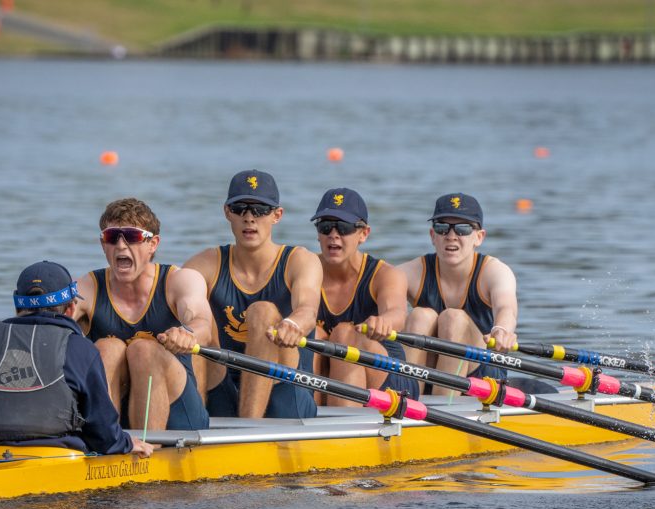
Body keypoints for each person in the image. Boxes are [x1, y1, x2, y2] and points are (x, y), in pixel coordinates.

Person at [0, 261, 153, 456]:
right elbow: (102, 431)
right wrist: (124, 443)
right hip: (54, 456)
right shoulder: (80, 349)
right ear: (71, 308)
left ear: (18, 307)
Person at [184, 169, 323, 419]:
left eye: (260, 210)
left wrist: (293, 324)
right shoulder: (203, 264)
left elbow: (307, 309)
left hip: (286, 392)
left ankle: (248, 427)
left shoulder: (301, 260)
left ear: (277, 215)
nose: (249, 218)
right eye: (240, 209)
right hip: (223, 388)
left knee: (262, 311)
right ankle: (189, 425)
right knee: (194, 330)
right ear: (227, 212)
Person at [74, 198, 212, 432]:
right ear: (102, 244)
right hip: (120, 417)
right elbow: (54, 325)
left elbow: (203, 323)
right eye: (111, 237)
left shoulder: (179, 280)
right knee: (108, 347)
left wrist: (187, 333)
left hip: (180, 416)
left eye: (132, 236)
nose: (120, 245)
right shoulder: (86, 287)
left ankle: (147, 450)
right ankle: (105, 441)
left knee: (143, 349)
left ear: (153, 244)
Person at [396, 193, 518, 395]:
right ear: (432, 236)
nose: (451, 236)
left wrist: (502, 330)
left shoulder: (495, 271)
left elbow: (506, 308)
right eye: (442, 227)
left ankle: (441, 404)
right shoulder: (411, 272)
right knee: (420, 316)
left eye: (462, 229)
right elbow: (375, 287)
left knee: (453, 318)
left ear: (479, 237)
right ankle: (407, 398)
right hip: (427, 375)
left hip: (483, 376)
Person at [311, 187, 419, 406]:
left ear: (364, 233)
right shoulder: (306, 269)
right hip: (328, 374)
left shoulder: (385, 274)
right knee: (315, 335)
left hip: (392, 380)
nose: (334, 234)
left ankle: (341, 425)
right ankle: (312, 417)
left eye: (344, 227)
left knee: (343, 334)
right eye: (325, 226)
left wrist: (384, 321)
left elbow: (397, 313)